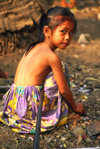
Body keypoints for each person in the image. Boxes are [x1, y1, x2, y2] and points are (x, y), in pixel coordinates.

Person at [0, 6, 85, 134]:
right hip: (29, 111)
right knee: (61, 68)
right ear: (47, 31)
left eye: (71, 33)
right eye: (63, 31)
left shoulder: (32, 47)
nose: (68, 37)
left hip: (14, 105)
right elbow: (63, 89)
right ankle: (59, 114)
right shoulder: (52, 57)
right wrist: (74, 106)